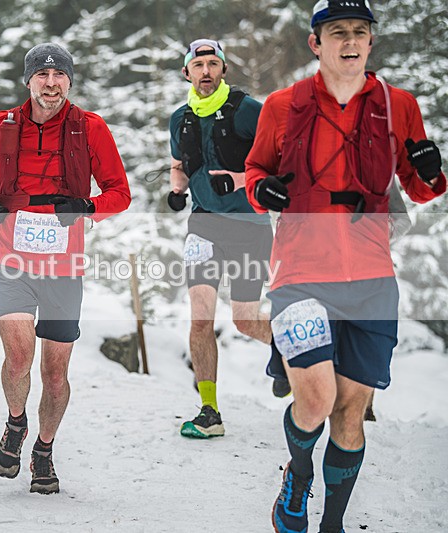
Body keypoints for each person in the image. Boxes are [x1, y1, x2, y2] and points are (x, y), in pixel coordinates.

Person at [244, 1, 445, 531]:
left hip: (373, 280)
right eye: (337, 32)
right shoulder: (283, 106)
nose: (350, 40)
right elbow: (257, 170)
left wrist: (430, 170)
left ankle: (331, 522)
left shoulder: (398, 105)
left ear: (371, 41)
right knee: (315, 400)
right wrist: (261, 190)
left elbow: (419, 188)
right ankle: (299, 474)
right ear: (316, 42)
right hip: (300, 272)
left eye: (360, 31)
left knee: (350, 415)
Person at [0, 43, 131, 494]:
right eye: (41, 75)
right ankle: (16, 423)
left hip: (64, 266)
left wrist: (87, 206)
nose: (51, 82)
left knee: (55, 374)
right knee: (18, 358)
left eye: (59, 75)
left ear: (70, 81)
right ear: (28, 81)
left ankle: (43, 449)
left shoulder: (90, 128)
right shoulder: (2, 125)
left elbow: (120, 191)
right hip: (13, 258)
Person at [167, 38, 279, 439]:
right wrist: (177, 191)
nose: (206, 72)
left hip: (250, 224)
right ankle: (209, 411)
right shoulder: (179, 118)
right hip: (204, 225)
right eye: (199, 66)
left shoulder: (248, 111)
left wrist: (240, 180)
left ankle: (288, 351)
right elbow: (180, 164)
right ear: (187, 73)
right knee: (201, 319)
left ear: (224, 70)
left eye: (213, 64)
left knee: (246, 320)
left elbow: (282, 166)